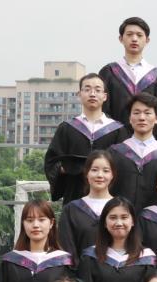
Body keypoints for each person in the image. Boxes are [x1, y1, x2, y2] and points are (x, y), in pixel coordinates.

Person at [44, 73, 126, 205]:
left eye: (97, 90)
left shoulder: (117, 130)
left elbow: (124, 166)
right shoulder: (67, 128)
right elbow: (51, 162)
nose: (92, 94)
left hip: (109, 202)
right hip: (75, 198)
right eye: (87, 89)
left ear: (105, 96)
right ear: (79, 94)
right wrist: (66, 168)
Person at [110, 93, 157, 213]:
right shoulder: (115, 153)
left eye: (147, 113)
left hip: (156, 219)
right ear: (130, 118)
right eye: (136, 113)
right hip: (121, 218)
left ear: (156, 119)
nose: (142, 118)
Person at [99, 16, 157, 125]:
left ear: (147, 40)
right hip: (115, 133)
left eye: (139, 35)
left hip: (148, 134)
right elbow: (102, 109)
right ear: (121, 39)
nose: (134, 39)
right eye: (129, 34)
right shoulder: (109, 72)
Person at [57, 150, 116, 263]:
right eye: (94, 170)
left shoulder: (121, 209)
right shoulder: (71, 210)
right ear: (86, 173)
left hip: (115, 272)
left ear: (112, 174)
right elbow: (66, 249)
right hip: (80, 272)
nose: (100, 175)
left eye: (106, 171)